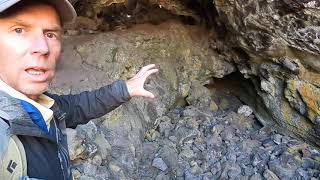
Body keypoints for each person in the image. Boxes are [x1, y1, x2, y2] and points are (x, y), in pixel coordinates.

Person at [0, 0, 158, 179]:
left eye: (50, 34)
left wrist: (125, 89)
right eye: (19, 30)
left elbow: (78, 107)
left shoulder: (42, 105)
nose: (43, 48)